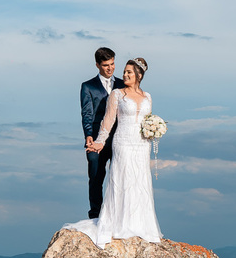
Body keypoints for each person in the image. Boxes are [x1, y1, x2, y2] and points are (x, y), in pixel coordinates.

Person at [64, 57, 163, 248]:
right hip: (123, 142)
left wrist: (154, 129)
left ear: (139, 75)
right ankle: (118, 224)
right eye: (124, 72)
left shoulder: (148, 96)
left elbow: (147, 120)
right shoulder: (117, 94)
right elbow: (108, 121)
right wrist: (99, 142)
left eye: (129, 72)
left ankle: (141, 224)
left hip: (142, 145)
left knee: (140, 180)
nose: (124, 74)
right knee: (122, 179)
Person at [80, 47, 122, 219]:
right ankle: (95, 215)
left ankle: (118, 214)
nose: (110, 68)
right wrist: (89, 135)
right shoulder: (88, 86)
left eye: (112, 64)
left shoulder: (122, 84)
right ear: (97, 65)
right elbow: (87, 113)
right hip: (96, 138)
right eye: (105, 65)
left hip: (119, 137)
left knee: (120, 177)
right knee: (96, 176)